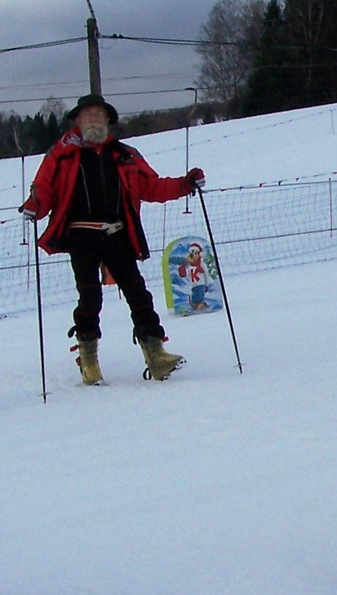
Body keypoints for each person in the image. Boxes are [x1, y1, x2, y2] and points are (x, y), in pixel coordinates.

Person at [20, 94, 206, 384]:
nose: (93, 119)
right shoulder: (61, 153)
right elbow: (45, 188)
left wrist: (185, 184)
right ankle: (89, 360)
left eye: (99, 115)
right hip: (81, 234)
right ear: (78, 121)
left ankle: (156, 355)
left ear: (108, 121)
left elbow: (151, 186)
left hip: (118, 233)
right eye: (87, 115)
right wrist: (35, 206)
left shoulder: (124, 154)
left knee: (138, 293)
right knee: (90, 296)